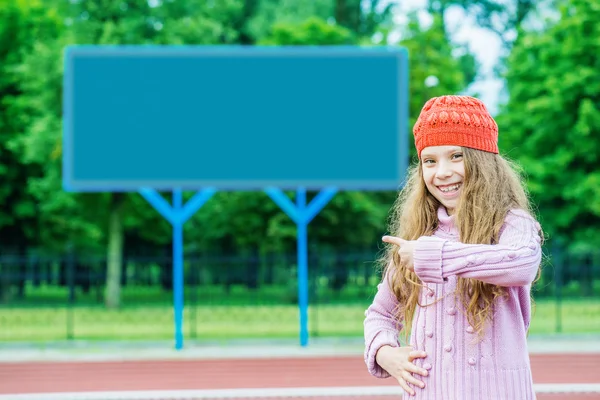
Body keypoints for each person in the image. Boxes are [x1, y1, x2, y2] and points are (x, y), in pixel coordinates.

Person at [363, 95, 543, 399]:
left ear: (483, 161)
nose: (442, 172)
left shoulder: (512, 223)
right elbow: (380, 314)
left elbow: (522, 263)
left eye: (456, 156)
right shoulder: (419, 234)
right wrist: (384, 352)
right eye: (429, 161)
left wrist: (433, 255)